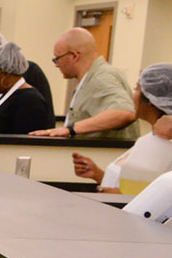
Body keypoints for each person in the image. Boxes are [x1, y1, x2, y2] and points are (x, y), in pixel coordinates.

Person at [72, 64, 172, 194]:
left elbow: (143, 196)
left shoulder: (164, 145)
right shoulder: (149, 140)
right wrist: (97, 174)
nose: (132, 95)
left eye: (137, 89)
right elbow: (130, 184)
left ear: (151, 99)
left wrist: (112, 194)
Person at [31, 28, 139, 139]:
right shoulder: (89, 80)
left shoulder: (100, 79)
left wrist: (69, 129)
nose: (56, 65)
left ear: (74, 56)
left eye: (57, 58)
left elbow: (124, 113)